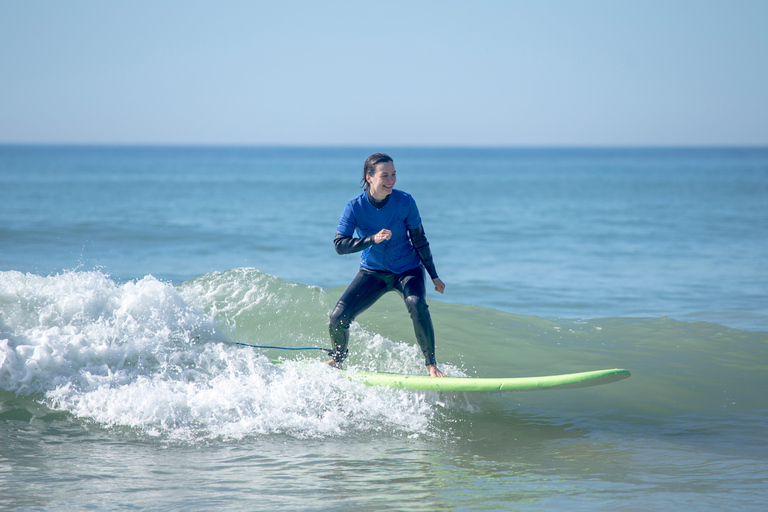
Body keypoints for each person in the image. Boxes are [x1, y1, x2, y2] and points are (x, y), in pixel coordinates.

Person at [328, 153, 447, 377]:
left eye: (393, 174)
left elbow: (419, 240)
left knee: (416, 304)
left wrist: (433, 276)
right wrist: (371, 239)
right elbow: (340, 245)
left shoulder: (406, 202)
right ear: (369, 178)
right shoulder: (354, 207)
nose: (391, 180)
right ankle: (338, 358)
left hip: (407, 270)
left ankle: (431, 364)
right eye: (385, 175)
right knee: (338, 317)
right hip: (372, 272)